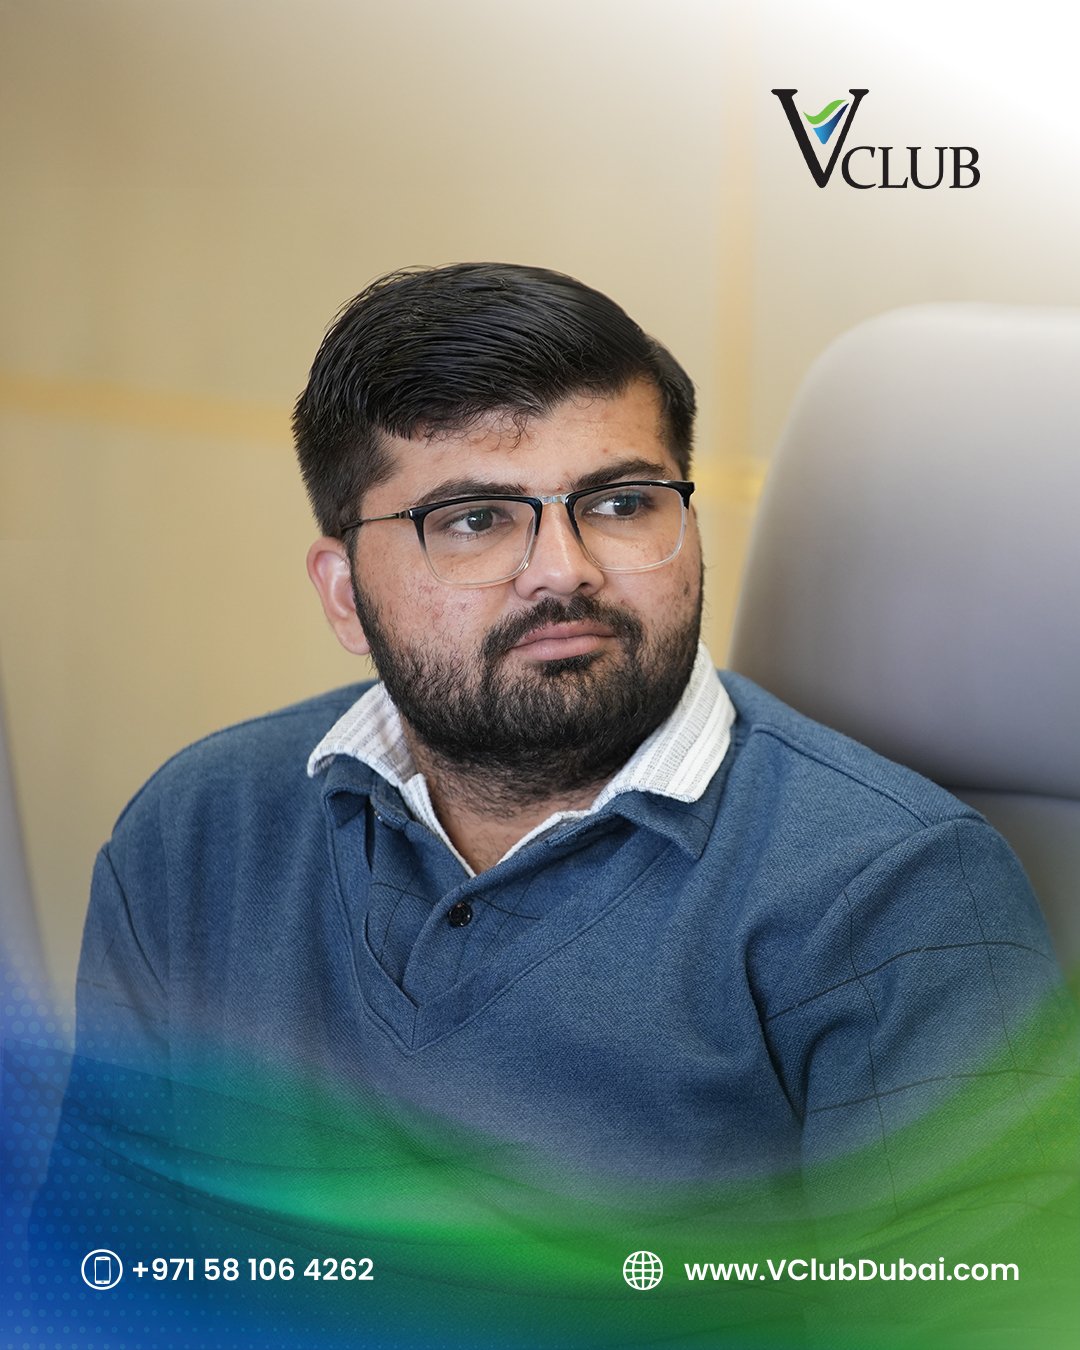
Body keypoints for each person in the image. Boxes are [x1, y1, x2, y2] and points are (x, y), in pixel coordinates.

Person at [42, 266, 1071, 1337]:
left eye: (622, 504)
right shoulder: (197, 831)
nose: (562, 571)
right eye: (475, 520)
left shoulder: (897, 887)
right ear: (346, 594)